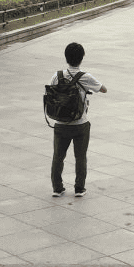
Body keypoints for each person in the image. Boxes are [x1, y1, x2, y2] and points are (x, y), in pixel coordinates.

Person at [49, 42, 107, 197]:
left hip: (60, 123)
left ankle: (57, 188)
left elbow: (51, 93)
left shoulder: (57, 76)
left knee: (58, 157)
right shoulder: (85, 77)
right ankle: (79, 188)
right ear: (81, 58)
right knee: (80, 157)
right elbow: (104, 89)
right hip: (80, 124)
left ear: (66, 58)